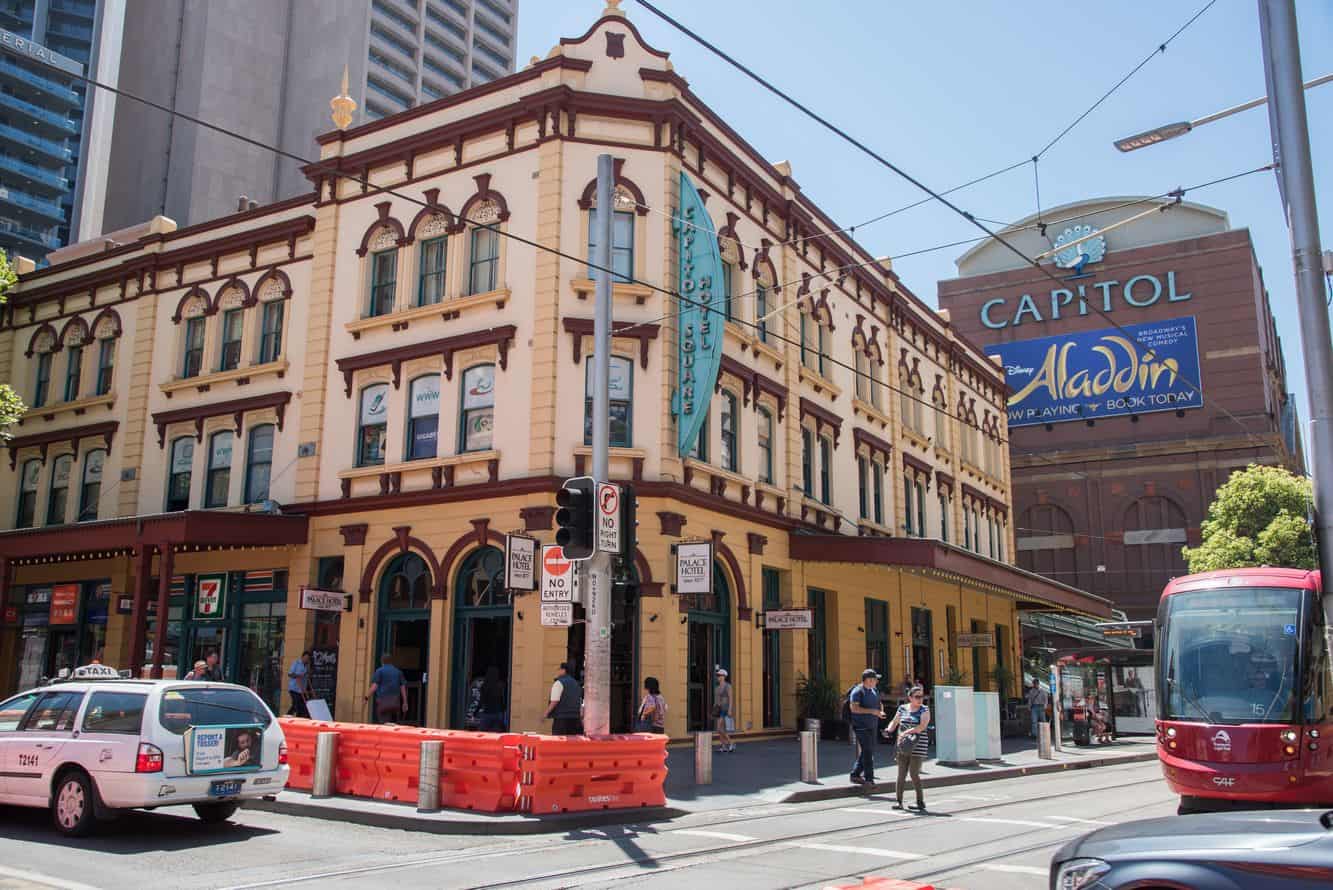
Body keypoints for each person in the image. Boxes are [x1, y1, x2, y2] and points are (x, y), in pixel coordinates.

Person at [886, 685, 931, 811]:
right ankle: (899, 802)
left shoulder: (924, 710)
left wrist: (906, 732)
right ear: (910, 698)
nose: (920, 699)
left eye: (922, 696)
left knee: (913, 773)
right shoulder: (902, 708)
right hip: (903, 745)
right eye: (917, 697)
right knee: (901, 774)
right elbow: (894, 722)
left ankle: (920, 801)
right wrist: (888, 730)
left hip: (918, 745)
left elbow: (922, 726)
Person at [849, 669, 886, 785]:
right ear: (868, 680)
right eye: (875, 679)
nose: (876, 682)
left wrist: (880, 711)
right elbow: (854, 708)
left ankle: (855, 774)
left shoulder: (874, 690)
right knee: (868, 751)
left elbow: (879, 703)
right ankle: (869, 779)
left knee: (867, 751)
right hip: (861, 726)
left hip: (872, 725)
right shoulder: (857, 691)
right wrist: (873, 712)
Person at [544, 662, 583, 735]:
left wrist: (546, 713)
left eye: (559, 669)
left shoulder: (559, 683)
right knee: (573, 744)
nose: (558, 671)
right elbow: (579, 701)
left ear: (563, 670)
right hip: (576, 720)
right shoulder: (576, 684)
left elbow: (554, 701)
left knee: (559, 744)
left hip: (561, 720)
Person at [367, 654, 408, 723]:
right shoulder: (398, 672)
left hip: (383, 702)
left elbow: (374, 687)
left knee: (384, 724)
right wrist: (405, 702)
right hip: (395, 703)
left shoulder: (379, 671)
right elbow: (403, 688)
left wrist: (366, 697)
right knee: (393, 724)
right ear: (391, 662)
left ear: (382, 662)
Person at [478, 666, 506, 732]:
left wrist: (475, 712)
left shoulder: (485, 685)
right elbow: (502, 699)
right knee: (496, 734)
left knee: (482, 734)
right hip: (498, 713)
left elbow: (481, 700)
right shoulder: (500, 685)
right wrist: (503, 710)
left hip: (487, 713)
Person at [713, 667, 735, 753]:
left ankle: (730, 743)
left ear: (724, 676)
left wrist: (730, 709)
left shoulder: (727, 686)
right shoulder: (717, 688)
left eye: (719, 675)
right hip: (719, 709)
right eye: (717, 675)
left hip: (725, 709)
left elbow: (731, 698)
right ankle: (723, 746)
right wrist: (714, 707)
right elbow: (716, 699)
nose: (718, 677)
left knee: (719, 728)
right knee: (721, 728)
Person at [288, 650, 312, 718]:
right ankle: (286, 716)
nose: (306, 660)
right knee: (296, 705)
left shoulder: (307, 666)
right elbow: (290, 674)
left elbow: (309, 675)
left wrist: (308, 669)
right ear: (302, 657)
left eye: (308, 659)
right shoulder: (296, 663)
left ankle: (299, 719)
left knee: (303, 706)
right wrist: (298, 676)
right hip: (294, 688)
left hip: (302, 689)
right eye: (305, 658)